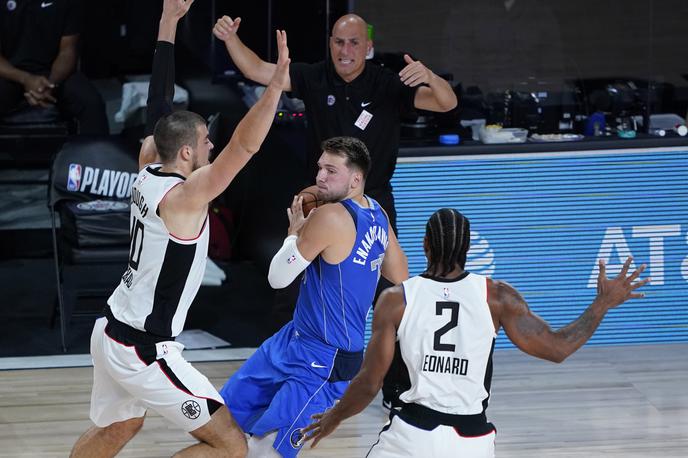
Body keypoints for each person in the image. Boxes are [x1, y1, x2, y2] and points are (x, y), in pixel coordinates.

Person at [69, 0, 291, 456]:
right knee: (232, 446)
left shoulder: (148, 164)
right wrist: (275, 87)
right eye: (206, 141)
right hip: (145, 349)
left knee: (119, 428)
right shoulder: (186, 197)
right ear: (187, 153)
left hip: (110, 331)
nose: (212, 145)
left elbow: (160, 104)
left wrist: (168, 23)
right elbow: (244, 148)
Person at [214, 12, 451, 407]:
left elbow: (446, 102)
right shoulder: (314, 76)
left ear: (368, 48)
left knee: (392, 295)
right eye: (339, 42)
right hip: (322, 201)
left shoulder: (386, 84)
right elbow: (259, 69)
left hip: (372, 204)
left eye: (354, 42)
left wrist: (429, 76)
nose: (345, 50)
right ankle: (283, 375)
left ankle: (400, 388)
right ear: (330, 45)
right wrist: (230, 38)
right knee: (291, 287)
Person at [302, 208, 650, 457]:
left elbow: (370, 381)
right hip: (472, 440)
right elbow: (558, 348)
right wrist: (601, 304)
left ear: (425, 245)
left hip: (411, 436)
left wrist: (334, 416)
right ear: (468, 250)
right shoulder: (498, 297)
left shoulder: (397, 299)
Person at [218, 136, 409, 457]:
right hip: (294, 338)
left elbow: (278, 277)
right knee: (223, 417)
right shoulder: (377, 213)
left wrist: (295, 234)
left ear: (356, 179)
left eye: (331, 170)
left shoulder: (330, 216)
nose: (320, 177)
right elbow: (400, 275)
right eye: (320, 167)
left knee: (267, 450)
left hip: (324, 357)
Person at [0, 0, 108, 134]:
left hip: (54, 74)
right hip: (10, 73)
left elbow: (68, 51)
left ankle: (96, 154)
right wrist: (26, 79)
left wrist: (50, 84)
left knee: (91, 103)